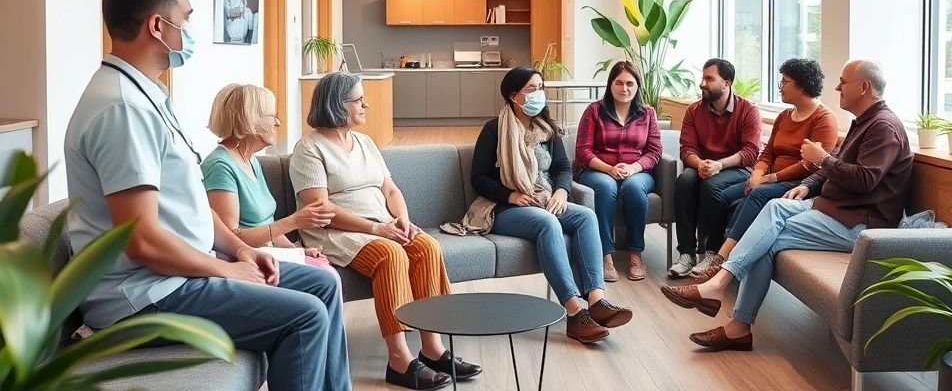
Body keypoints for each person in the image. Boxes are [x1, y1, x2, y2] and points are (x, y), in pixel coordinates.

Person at [64, 0, 350, 391]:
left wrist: (240, 251)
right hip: (144, 296)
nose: (192, 27)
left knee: (324, 283)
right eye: (189, 16)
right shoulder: (121, 109)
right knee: (303, 316)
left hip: (178, 275)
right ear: (158, 26)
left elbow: (192, 204)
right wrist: (223, 269)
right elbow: (141, 240)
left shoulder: (150, 94)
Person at [661, 60, 913, 352]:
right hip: (831, 207)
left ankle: (724, 300)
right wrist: (808, 184)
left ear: (864, 87)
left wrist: (822, 160)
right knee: (774, 209)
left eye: (843, 81)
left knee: (766, 238)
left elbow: (865, 180)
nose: (837, 87)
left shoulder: (883, 127)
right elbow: (832, 165)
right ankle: (729, 310)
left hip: (858, 223)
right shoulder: (864, 123)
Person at [289, 72, 481, 391]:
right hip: (339, 233)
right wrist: (378, 228)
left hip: (383, 225)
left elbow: (390, 189)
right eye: (358, 99)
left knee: (427, 246)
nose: (366, 103)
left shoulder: (365, 142)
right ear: (337, 104)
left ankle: (432, 349)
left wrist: (403, 219)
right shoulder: (309, 149)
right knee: (390, 254)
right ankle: (399, 360)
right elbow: (321, 210)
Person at [471, 66, 634, 345]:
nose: (539, 94)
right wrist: (510, 195)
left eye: (541, 87)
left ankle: (596, 300)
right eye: (531, 89)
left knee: (586, 216)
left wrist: (561, 191)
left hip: (545, 199)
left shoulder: (547, 129)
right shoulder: (494, 129)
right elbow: (479, 177)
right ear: (514, 96)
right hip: (504, 208)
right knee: (547, 223)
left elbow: (562, 168)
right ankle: (574, 312)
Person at [687, 58, 839, 283]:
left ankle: (722, 260)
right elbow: (767, 152)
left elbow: (812, 165)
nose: (780, 86)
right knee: (720, 194)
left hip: (797, 184)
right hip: (768, 178)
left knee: (756, 194)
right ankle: (714, 252)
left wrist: (770, 178)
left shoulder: (825, 119)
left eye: (785, 81)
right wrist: (757, 173)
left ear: (802, 86)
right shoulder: (784, 116)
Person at [201, 83, 342, 286]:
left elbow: (267, 226)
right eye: (272, 115)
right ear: (250, 119)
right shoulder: (220, 165)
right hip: (245, 260)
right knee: (327, 278)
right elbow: (231, 237)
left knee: (325, 269)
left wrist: (297, 250)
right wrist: (293, 221)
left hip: (268, 252)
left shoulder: (251, 160)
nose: (278, 122)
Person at [669, 58, 762, 279]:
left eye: (709, 78)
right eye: (703, 77)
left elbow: (750, 152)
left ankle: (712, 253)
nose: (702, 83)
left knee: (712, 185)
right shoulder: (694, 111)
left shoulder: (748, 111)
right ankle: (686, 254)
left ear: (727, 83)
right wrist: (700, 163)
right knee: (684, 180)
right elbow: (686, 150)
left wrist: (720, 164)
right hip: (704, 167)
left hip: (737, 169)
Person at [574, 60, 662, 282]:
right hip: (599, 170)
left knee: (634, 188)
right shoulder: (594, 111)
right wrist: (609, 169)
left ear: (638, 86)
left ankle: (635, 253)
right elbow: (582, 152)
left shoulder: (647, 114)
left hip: (636, 171)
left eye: (630, 84)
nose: (625, 89)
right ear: (610, 85)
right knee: (605, 186)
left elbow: (655, 151)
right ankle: (605, 256)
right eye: (619, 83)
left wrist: (634, 168)